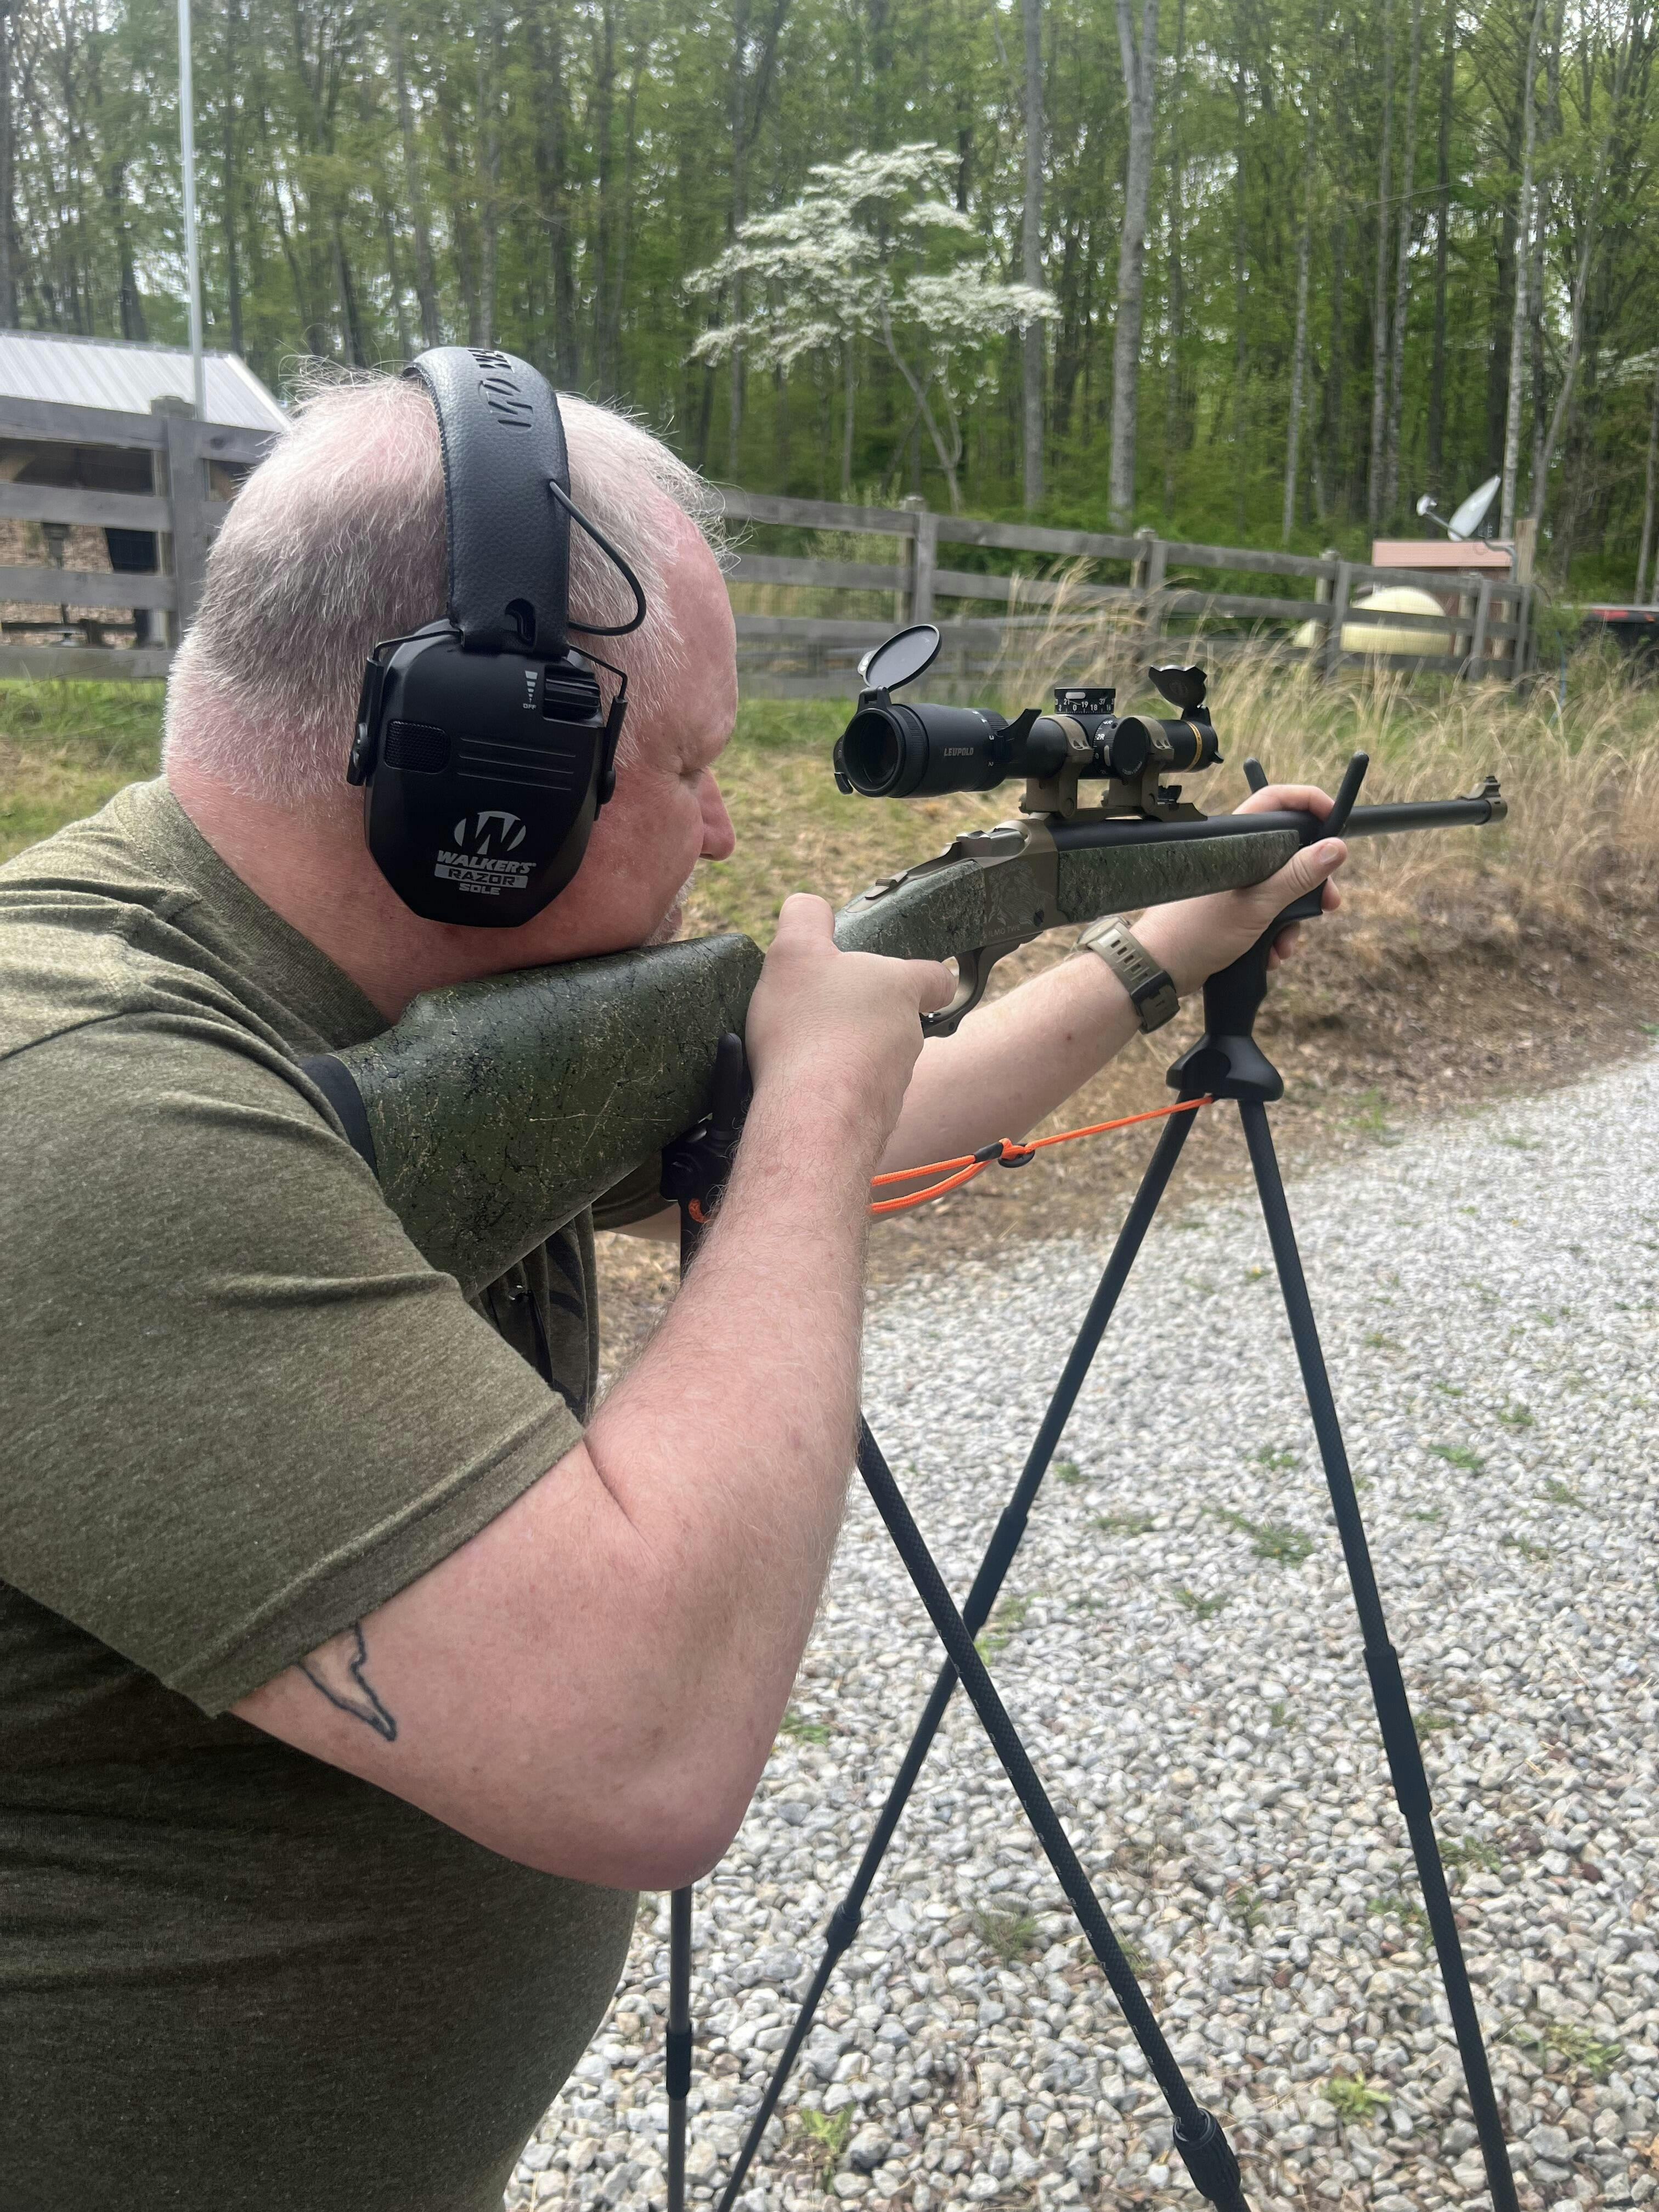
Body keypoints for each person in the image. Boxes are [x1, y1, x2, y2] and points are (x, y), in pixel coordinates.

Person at [0, 371, 1346, 2212]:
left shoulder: (361, 997)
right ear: (485, 776)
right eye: (690, 769)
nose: (720, 837)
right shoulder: (81, 1107)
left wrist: (1166, 937)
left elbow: (879, 1112)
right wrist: (812, 1101)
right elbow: (641, 1750)